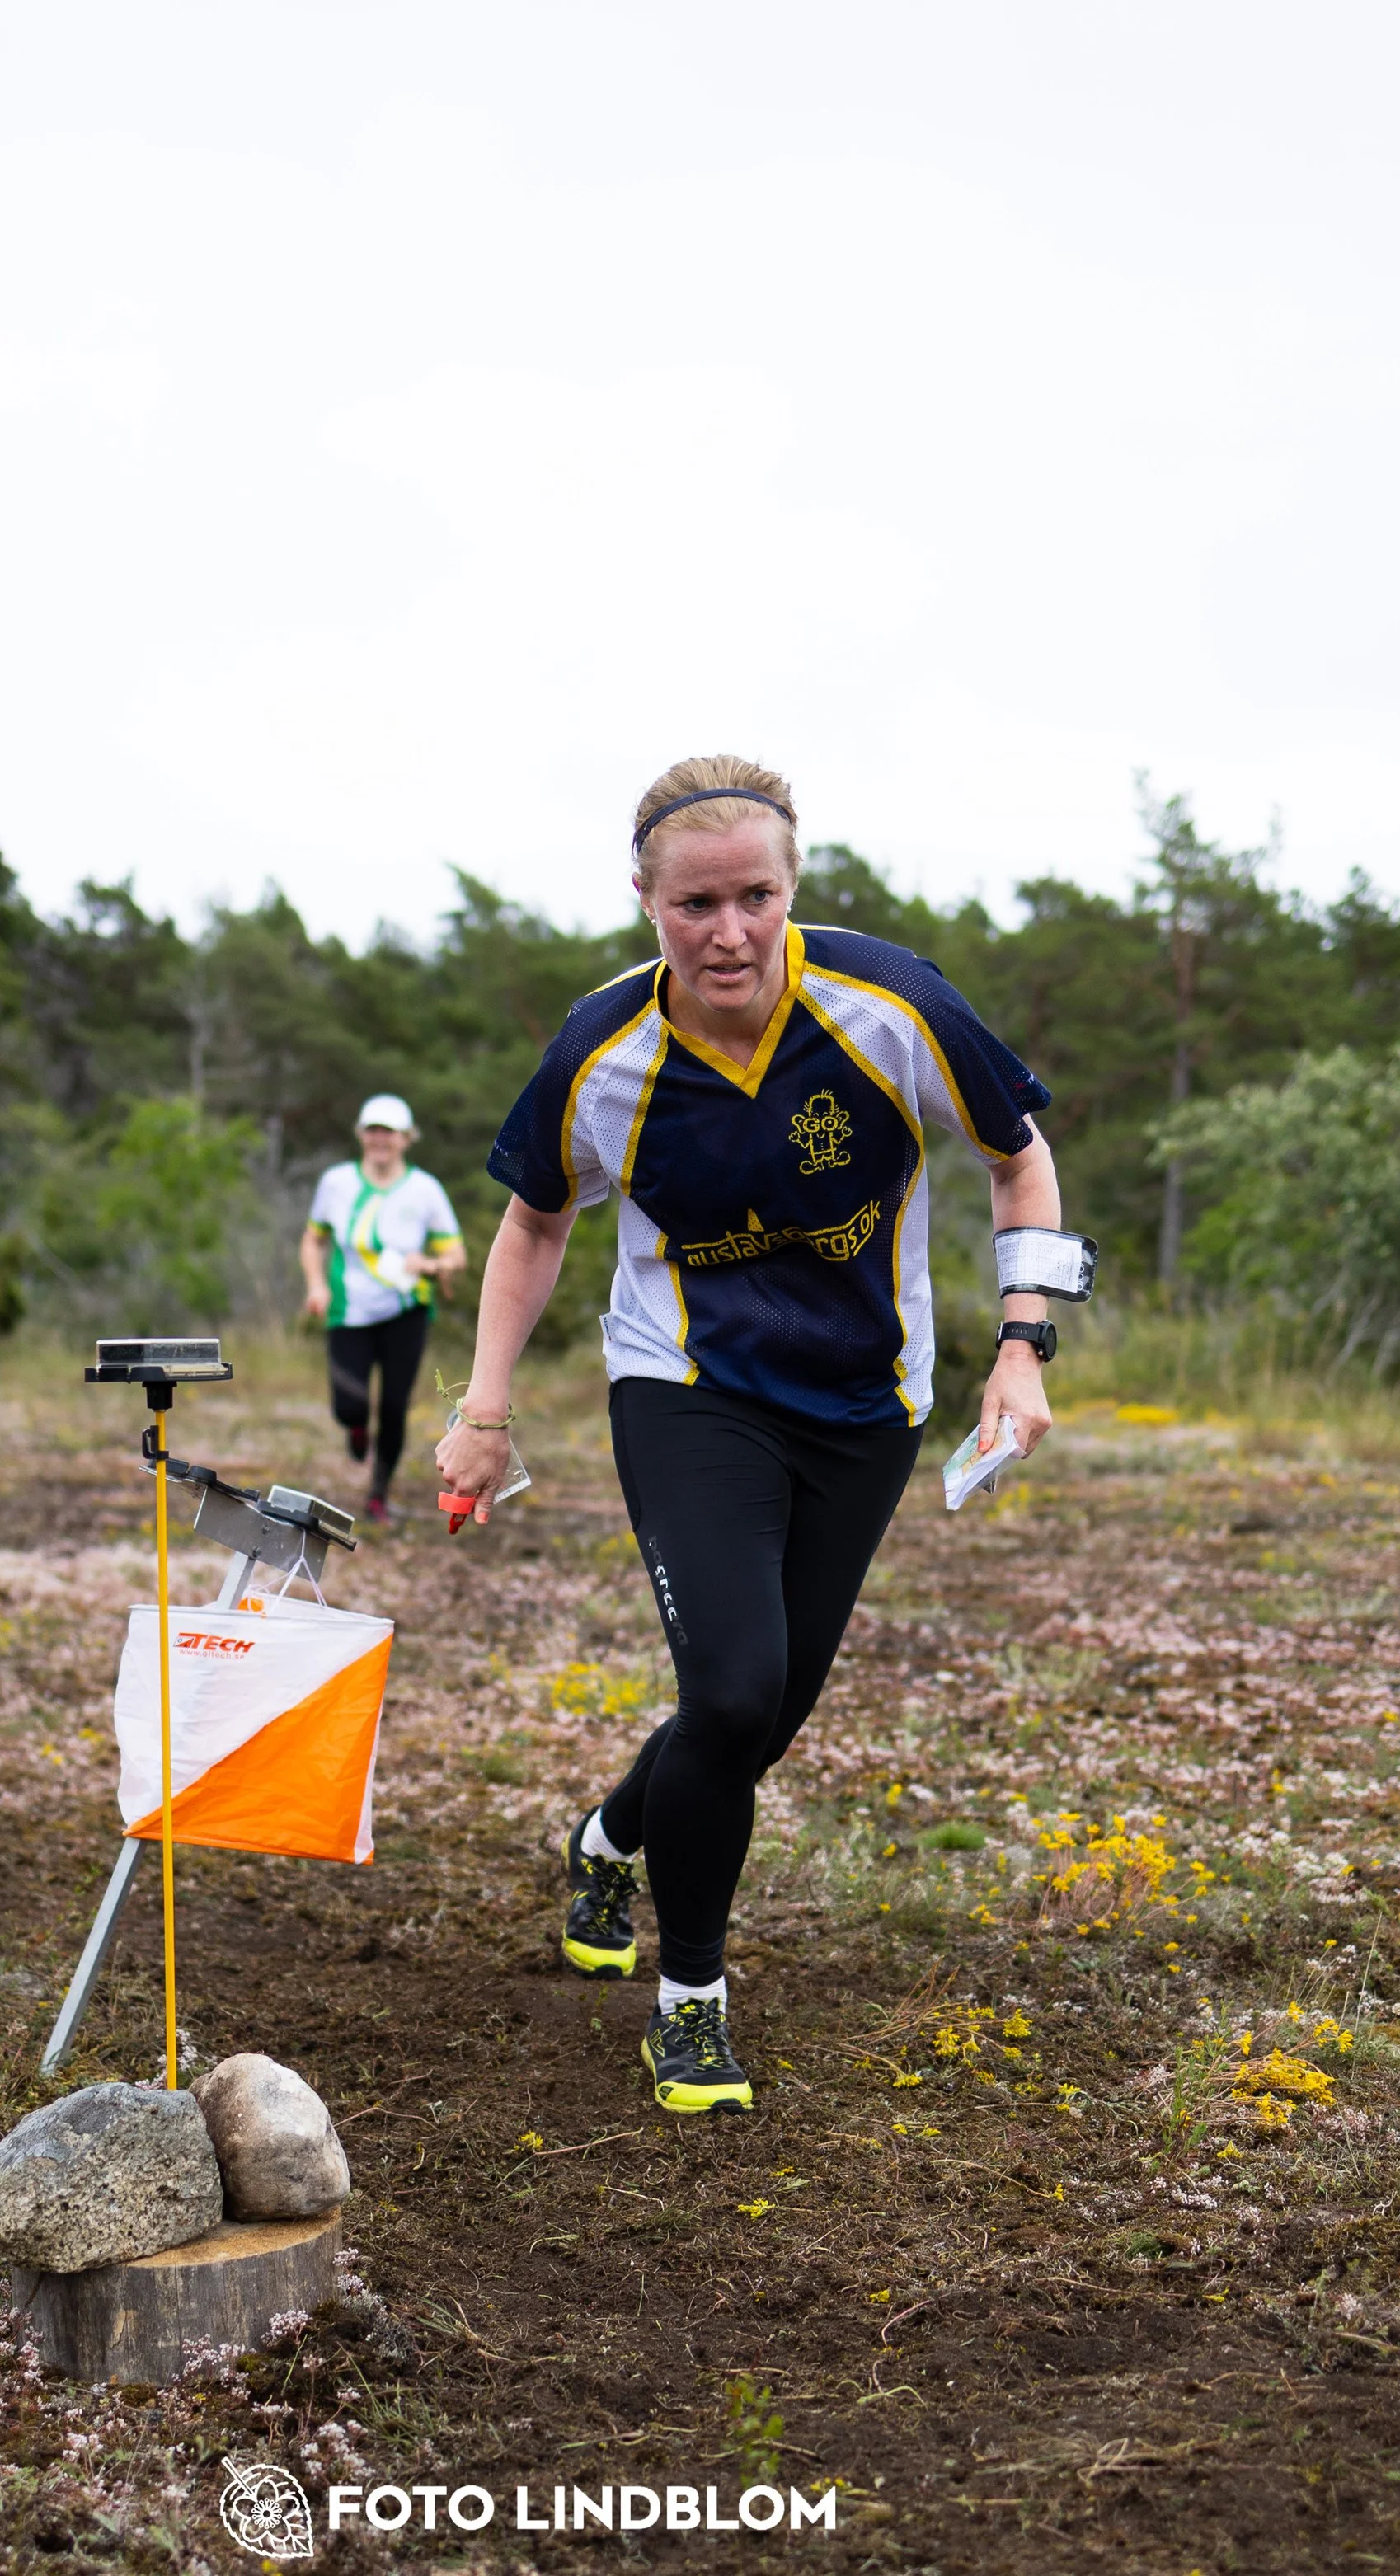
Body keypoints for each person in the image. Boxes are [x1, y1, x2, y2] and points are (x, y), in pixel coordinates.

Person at [435, 755, 1068, 2117]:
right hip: (688, 1388)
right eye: (696, 903)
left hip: (865, 1404)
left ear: (795, 886)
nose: (730, 932)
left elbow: (1016, 1157)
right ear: (646, 901)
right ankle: (693, 2003)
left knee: (762, 1715)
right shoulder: (601, 1053)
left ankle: (609, 1835)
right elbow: (538, 1221)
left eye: (758, 897)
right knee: (729, 1690)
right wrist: (484, 1411)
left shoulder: (890, 1004)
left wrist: (1024, 1347)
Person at [301, 1095, 466, 1523]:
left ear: (406, 1139)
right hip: (348, 1309)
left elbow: (456, 1256)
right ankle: (356, 1428)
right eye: (372, 1130)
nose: (380, 1139)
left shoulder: (425, 1189)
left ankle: (378, 1494)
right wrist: (317, 1285)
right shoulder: (337, 1183)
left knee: (394, 1407)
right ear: (361, 1135)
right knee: (350, 1405)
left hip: (406, 1311)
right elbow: (313, 1239)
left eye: (389, 1132)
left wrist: (430, 1264)